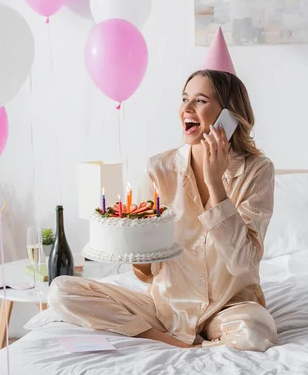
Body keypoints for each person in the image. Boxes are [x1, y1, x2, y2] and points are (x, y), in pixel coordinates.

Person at [48, 67, 278, 351]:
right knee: (60, 292)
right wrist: (138, 251)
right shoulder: (159, 168)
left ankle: (197, 339)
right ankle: (169, 342)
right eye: (185, 99)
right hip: (167, 309)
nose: (187, 108)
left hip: (227, 308)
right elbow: (144, 269)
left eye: (201, 100)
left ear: (227, 116)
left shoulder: (257, 171)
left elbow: (244, 262)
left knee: (256, 331)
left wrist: (215, 185)